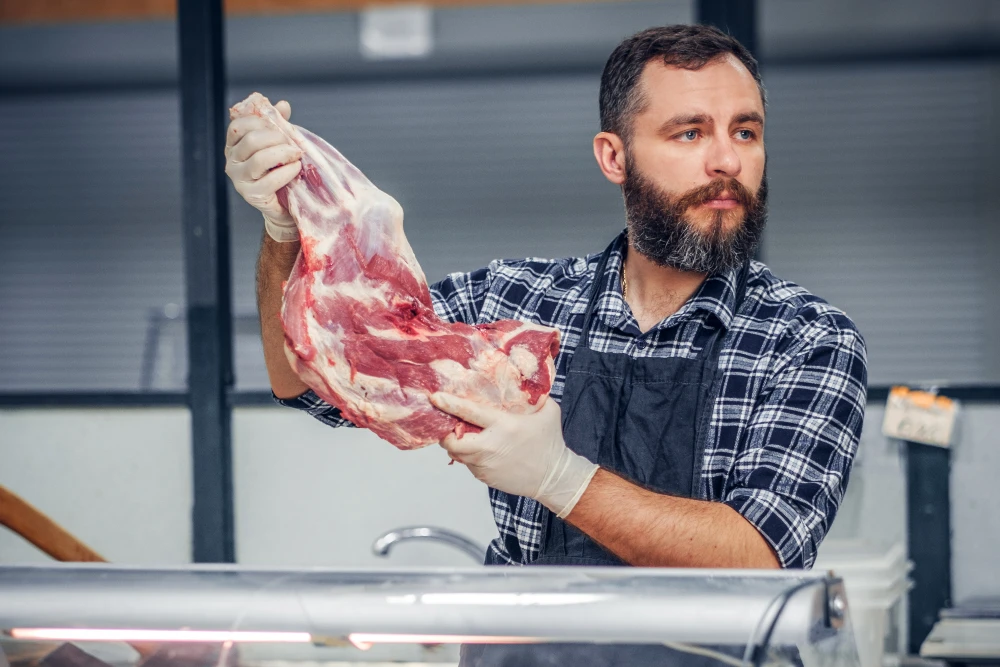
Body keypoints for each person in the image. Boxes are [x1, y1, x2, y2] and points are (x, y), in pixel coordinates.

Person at [225, 24, 867, 575]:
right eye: (690, 134)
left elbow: (761, 556)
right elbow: (307, 382)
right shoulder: (519, 301)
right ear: (614, 156)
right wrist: (287, 222)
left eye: (746, 132)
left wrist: (562, 478)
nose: (727, 159)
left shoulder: (808, 339)